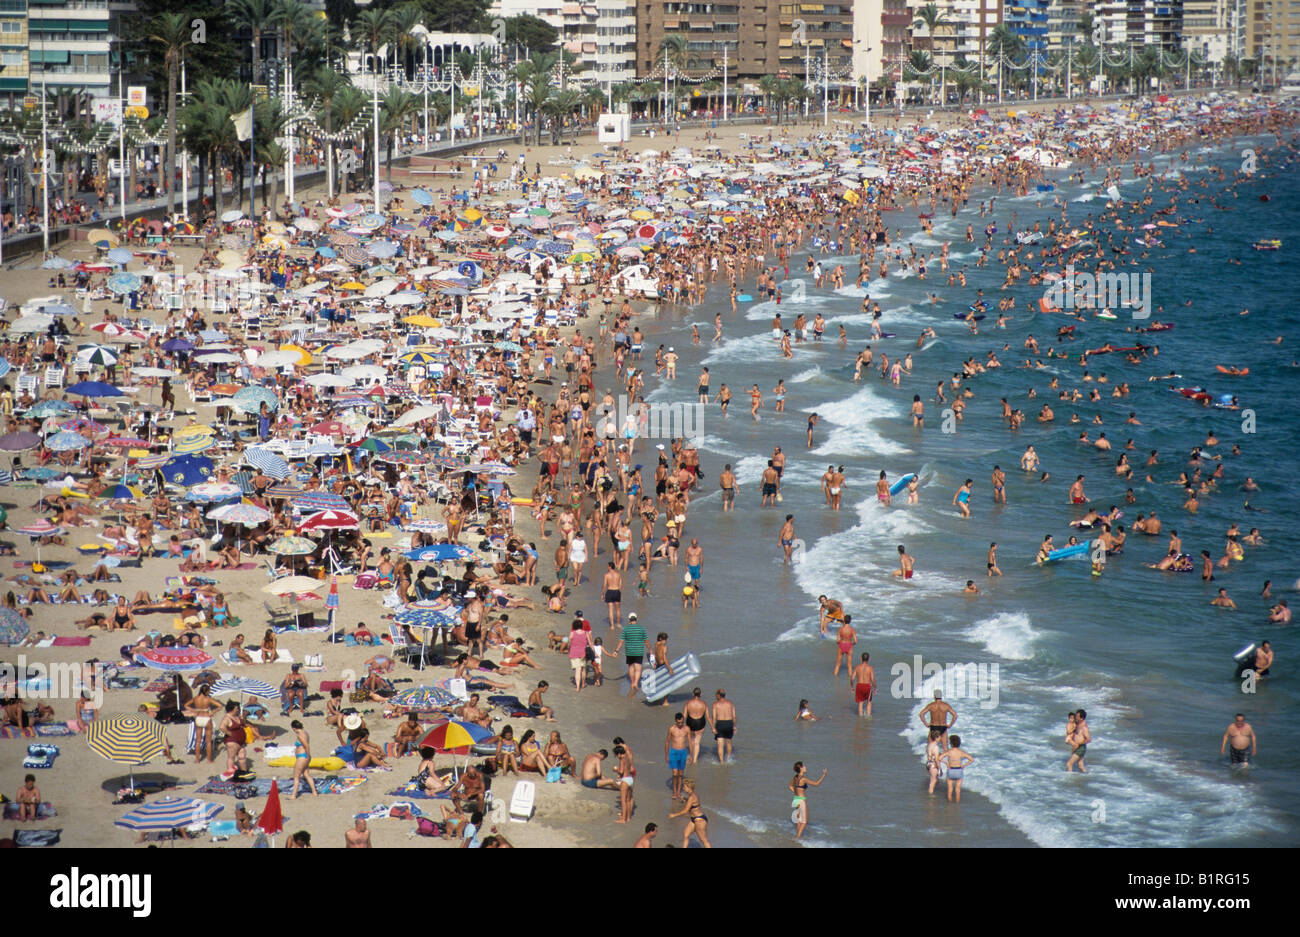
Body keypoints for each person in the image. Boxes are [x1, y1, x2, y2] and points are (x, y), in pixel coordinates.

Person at [184, 682, 223, 763]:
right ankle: (209, 760)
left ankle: (197, 759)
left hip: (198, 718)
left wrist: (194, 710)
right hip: (207, 718)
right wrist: (213, 712)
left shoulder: (195, 699)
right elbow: (220, 706)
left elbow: (186, 705)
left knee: (198, 740)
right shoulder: (208, 699)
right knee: (208, 741)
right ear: (206, 691)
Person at [667, 778, 711, 848]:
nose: (683, 788)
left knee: (704, 840)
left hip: (699, 820)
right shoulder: (693, 796)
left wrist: (674, 815)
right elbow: (692, 804)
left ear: (689, 787)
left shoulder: (692, 797)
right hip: (694, 819)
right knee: (686, 834)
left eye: (684, 787)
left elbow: (685, 811)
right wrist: (684, 799)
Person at [612, 612, 647, 698]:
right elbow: (646, 640)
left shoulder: (626, 629)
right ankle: (636, 683)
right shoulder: (641, 628)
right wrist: (650, 650)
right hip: (639, 651)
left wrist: (616, 651)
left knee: (631, 667)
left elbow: (621, 641)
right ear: (636, 619)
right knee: (638, 669)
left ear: (629, 620)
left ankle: (632, 683)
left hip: (629, 652)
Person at [788, 761, 826, 839]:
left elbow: (790, 786)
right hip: (801, 800)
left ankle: (797, 836)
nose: (805, 767)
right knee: (804, 821)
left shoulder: (795, 777)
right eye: (804, 766)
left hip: (796, 799)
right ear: (801, 768)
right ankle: (797, 838)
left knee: (799, 820)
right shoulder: (803, 779)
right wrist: (823, 775)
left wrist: (796, 793)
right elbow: (816, 784)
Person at [289, 720, 319, 800]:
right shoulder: (305, 733)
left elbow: (306, 746)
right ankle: (314, 792)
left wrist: (307, 756)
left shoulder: (300, 735)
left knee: (296, 776)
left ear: (294, 728)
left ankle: (293, 795)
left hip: (302, 757)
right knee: (306, 775)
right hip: (304, 756)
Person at [939, 735, 974, 802]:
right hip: (959, 770)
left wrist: (946, 763)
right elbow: (971, 759)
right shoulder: (961, 752)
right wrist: (964, 765)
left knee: (950, 789)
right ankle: (957, 806)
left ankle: (949, 805)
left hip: (951, 770)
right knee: (957, 790)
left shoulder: (949, 752)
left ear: (951, 744)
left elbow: (939, 758)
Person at [220, 701, 249, 777]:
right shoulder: (227, 718)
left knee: (242, 756)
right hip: (232, 741)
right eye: (236, 708)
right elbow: (222, 727)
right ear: (232, 708)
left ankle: (244, 772)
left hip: (240, 741)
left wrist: (243, 719)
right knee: (231, 757)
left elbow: (244, 725)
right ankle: (230, 772)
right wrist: (230, 734)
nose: (238, 709)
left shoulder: (237, 716)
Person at [665, 712, 690, 799]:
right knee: (675, 774)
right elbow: (667, 741)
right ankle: (674, 792)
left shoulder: (687, 729)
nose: (680, 724)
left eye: (682, 722)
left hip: (683, 752)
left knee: (680, 774)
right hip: (673, 752)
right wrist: (667, 755)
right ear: (675, 721)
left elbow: (690, 742)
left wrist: (692, 756)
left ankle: (679, 792)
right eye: (679, 722)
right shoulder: (672, 729)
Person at [683, 688, 710, 764]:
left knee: (691, 741)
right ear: (700, 694)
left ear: (693, 694)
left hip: (690, 722)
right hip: (700, 722)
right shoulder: (704, 703)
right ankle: (695, 760)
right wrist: (713, 727)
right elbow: (708, 716)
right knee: (697, 742)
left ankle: (691, 757)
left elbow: (684, 715)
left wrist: (681, 725)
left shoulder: (688, 703)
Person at [710, 689, 737, 763]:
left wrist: (713, 728)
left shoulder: (715, 704)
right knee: (728, 742)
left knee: (720, 744)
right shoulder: (730, 703)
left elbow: (714, 717)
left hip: (720, 724)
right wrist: (734, 726)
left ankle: (721, 762)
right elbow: (734, 716)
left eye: (716, 694)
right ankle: (728, 759)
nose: (715, 696)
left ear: (718, 695)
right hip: (729, 723)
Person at [850, 652, 876, 717]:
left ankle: (860, 718)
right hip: (867, 686)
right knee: (869, 702)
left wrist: (852, 687)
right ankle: (868, 717)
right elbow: (872, 680)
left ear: (861, 658)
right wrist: (875, 688)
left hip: (859, 685)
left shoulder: (857, 667)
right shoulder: (870, 668)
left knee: (860, 702)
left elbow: (852, 678)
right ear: (868, 659)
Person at [1067, 708, 1091, 773]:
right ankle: (1087, 775)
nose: (1075, 717)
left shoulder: (1084, 728)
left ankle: (1069, 779)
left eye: (1077, 716)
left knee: (1069, 764)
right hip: (1078, 747)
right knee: (1080, 765)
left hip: (1080, 748)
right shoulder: (1077, 724)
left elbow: (1088, 739)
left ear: (1081, 718)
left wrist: (1079, 743)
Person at [925, 728, 945, 794]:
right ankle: (930, 796)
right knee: (933, 782)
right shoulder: (936, 747)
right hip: (933, 765)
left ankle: (931, 792)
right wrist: (939, 768)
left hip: (928, 763)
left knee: (936, 780)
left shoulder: (929, 745)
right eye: (939, 737)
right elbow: (936, 759)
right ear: (936, 738)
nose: (940, 738)